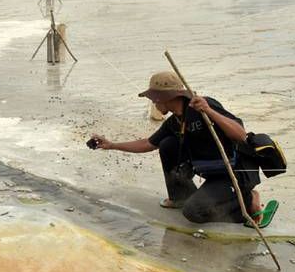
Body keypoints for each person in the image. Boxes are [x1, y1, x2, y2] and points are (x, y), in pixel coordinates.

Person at [89, 71, 262, 224]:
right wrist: (111, 145)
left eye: (153, 100)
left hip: (234, 175)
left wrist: (210, 111)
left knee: (194, 212)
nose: (153, 104)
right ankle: (180, 197)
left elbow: (240, 135)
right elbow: (148, 143)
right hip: (212, 173)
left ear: (162, 98)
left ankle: (248, 200)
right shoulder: (175, 122)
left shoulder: (203, 107)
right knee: (167, 144)